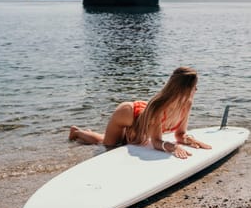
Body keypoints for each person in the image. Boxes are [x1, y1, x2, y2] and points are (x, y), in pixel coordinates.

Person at [69, 66, 211, 159]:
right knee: (108, 144)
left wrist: (191, 140)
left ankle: (82, 132)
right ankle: (76, 132)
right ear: (185, 89)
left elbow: (179, 134)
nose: (196, 90)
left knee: (119, 142)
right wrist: (172, 147)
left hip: (143, 116)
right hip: (127, 113)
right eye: (194, 87)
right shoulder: (158, 108)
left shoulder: (187, 104)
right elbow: (155, 141)